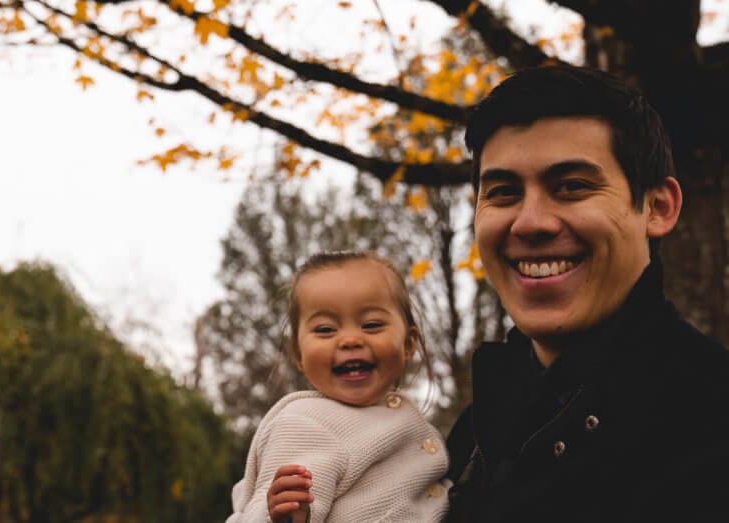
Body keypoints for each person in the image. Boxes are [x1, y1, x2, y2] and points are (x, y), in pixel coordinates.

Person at [269, 66, 729, 522]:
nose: (530, 222)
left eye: (571, 187)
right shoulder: (472, 435)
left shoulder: (709, 416)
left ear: (657, 207)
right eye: (503, 192)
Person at [229, 251, 449, 523]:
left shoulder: (409, 422)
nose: (349, 340)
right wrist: (284, 516)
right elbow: (267, 508)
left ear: (408, 343)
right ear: (299, 353)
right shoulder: (305, 423)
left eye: (371, 325)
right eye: (325, 329)